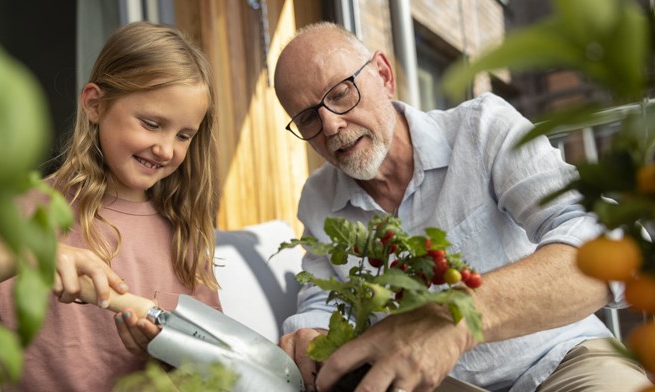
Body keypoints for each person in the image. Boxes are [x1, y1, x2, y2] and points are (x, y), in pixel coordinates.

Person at [273, 22, 652, 392]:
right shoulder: (319, 196)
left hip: (562, 360)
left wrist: (454, 318)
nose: (332, 126)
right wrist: (310, 332)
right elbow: (322, 297)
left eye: (341, 94)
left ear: (384, 76)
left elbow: (610, 242)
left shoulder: (482, 128)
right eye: (308, 118)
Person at [0, 21, 221, 392]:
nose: (166, 149)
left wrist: (161, 359)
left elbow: (213, 374)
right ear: (95, 104)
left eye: (183, 135)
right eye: (151, 124)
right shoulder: (21, 210)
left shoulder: (185, 240)